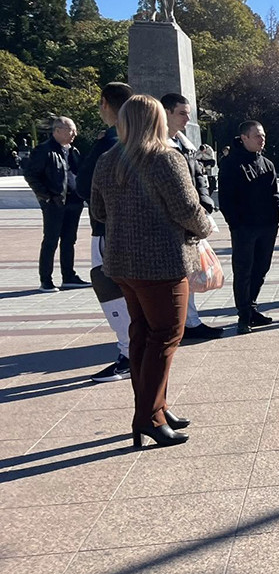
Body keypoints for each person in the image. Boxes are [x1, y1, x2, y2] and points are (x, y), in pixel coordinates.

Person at [89, 95, 212, 448]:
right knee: (166, 335)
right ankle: (148, 416)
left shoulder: (108, 159)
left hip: (122, 263)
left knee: (142, 334)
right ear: (158, 121)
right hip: (161, 263)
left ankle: (155, 407)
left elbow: (98, 211)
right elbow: (187, 209)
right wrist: (205, 227)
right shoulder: (165, 158)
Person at [77, 83, 135, 382]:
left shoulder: (109, 142)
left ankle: (128, 354)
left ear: (104, 104)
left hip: (107, 229)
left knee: (110, 287)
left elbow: (84, 186)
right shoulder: (143, 139)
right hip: (138, 231)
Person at [162, 93, 222, 341]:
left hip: (189, 220)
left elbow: (199, 177)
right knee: (172, 276)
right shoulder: (158, 146)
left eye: (188, 113)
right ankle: (177, 323)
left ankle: (189, 321)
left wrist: (205, 201)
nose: (187, 119)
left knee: (189, 273)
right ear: (166, 112)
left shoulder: (185, 145)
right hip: (168, 222)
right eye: (182, 113)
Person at [218, 121, 279, 335]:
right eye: (257, 136)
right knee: (243, 271)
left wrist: (274, 222)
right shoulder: (231, 163)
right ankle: (243, 315)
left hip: (267, 227)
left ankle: (252, 307)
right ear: (244, 138)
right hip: (244, 227)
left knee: (261, 268)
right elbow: (225, 198)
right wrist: (235, 223)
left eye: (263, 136)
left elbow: (274, 195)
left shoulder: (267, 164)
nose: (262, 140)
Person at [25, 116, 87, 292]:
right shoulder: (44, 150)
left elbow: (78, 172)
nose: (75, 134)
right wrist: (46, 196)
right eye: (71, 130)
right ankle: (46, 280)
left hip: (74, 202)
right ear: (57, 131)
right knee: (51, 240)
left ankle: (69, 276)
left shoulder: (74, 151)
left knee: (69, 240)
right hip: (54, 203)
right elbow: (31, 175)